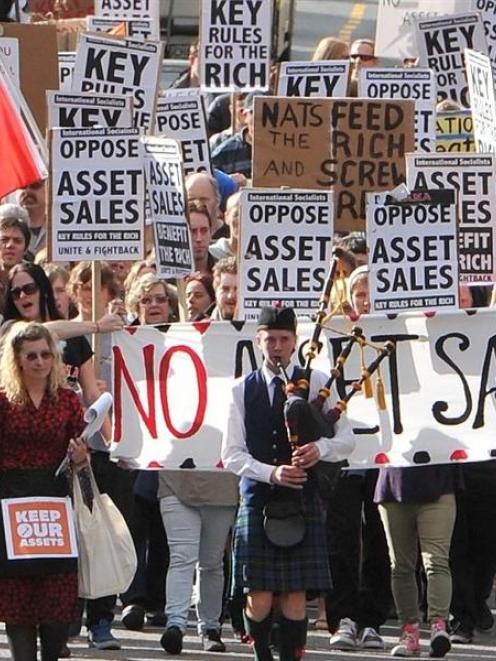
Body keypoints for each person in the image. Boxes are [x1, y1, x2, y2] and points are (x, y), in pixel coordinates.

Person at [222, 306, 355, 660]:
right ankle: (262, 654)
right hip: (258, 498)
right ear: (258, 341)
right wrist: (272, 472)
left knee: (296, 597)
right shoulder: (241, 390)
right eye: (270, 340)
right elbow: (232, 454)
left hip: (302, 499)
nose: (277, 347)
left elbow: (347, 441)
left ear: (296, 341)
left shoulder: (318, 382)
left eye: (284, 339)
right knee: (260, 597)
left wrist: (320, 448)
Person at [0, 321, 88, 661]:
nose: (39, 362)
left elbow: (81, 457)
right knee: (18, 609)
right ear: (17, 359)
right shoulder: (4, 402)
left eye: (45, 354)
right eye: (31, 355)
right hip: (11, 510)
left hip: (55, 511)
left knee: (55, 614)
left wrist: (80, 457)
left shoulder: (67, 401)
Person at [326, 265, 392, 652]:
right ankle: (343, 616)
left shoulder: (399, 332)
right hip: (346, 452)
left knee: (380, 534)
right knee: (342, 533)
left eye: (372, 293)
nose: (365, 300)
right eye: (359, 293)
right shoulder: (335, 335)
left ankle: (372, 618)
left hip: (385, 453)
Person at [374, 460, 462, 656]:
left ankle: (439, 626)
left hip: (438, 486)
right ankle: (409, 632)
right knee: (400, 565)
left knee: (436, 561)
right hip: (393, 483)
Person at [15, 179, 47, 258]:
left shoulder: (60, 229)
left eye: (35, 186)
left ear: (47, 190)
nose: (27, 191)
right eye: (22, 186)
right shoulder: (3, 230)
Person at [187, 200, 217, 277]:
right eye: (192, 231)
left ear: (211, 232)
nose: (199, 239)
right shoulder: (167, 275)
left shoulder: (221, 272)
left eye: (204, 231)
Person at [210, 191, 240, 261]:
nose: (241, 220)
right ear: (226, 217)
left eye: (248, 215)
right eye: (236, 214)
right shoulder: (211, 254)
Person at [0, 205, 32, 271]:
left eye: (17, 241)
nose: (10, 245)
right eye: (4, 239)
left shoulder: (37, 278)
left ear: (26, 248)